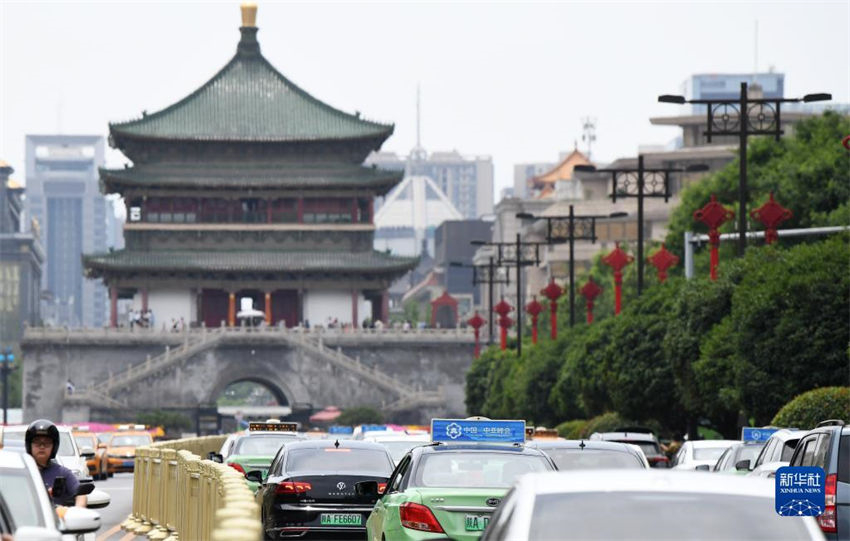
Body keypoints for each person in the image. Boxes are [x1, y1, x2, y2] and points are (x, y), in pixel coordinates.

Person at [25, 419, 86, 507]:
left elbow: (81, 495)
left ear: (54, 447)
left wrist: (77, 510)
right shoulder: (21, 472)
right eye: (37, 442)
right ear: (29, 445)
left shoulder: (63, 473)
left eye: (47, 442)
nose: (42, 447)